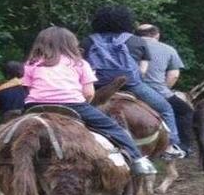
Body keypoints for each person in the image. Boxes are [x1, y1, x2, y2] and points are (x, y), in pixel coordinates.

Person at [22, 26, 156, 176]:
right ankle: (138, 161)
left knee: (16, 129)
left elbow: (28, 89)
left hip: (35, 106)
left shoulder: (32, 63)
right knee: (113, 128)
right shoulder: (79, 63)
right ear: (71, 43)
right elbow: (89, 93)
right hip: (73, 105)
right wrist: (85, 102)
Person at [81, 6, 185, 159]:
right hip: (131, 85)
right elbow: (142, 70)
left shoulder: (87, 41)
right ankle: (170, 146)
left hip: (97, 87)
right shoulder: (136, 41)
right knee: (166, 108)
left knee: (74, 113)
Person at [135, 23, 195, 155]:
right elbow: (173, 75)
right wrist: (165, 88)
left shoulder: (128, 46)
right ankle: (180, 146)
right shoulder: (168, 49)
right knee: (185, 112)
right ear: (157, 35)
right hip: (157, 90)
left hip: (126, 88)